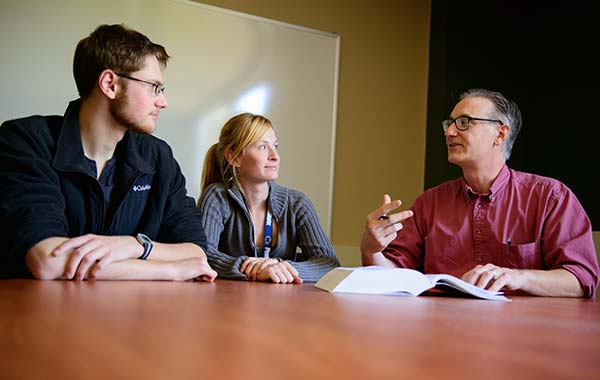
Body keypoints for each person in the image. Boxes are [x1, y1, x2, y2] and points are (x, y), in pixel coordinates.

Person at [0, 24, 216, 282]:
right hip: (35, 315)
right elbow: (48, 261)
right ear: (110, 84)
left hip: (129, 315)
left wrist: (137, 245)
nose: (163, 101)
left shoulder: (159, 157)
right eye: (153, 87)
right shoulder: (25, 140)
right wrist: (170, 270)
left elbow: (196, 253)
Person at [360, 88, 599, 298]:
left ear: (500, 134)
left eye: (464, 122)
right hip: (443, 329)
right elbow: (394, 278)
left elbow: (580, 279)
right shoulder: (428, 203)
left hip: (527, 335)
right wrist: (372, 250)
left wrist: (517, 277)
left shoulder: (550, 197)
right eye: (449, 123)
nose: (449, 132)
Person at [197, 112, 340, 283]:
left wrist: (282, 268)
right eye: (263, 147)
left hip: (282, 303)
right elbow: (201, 255)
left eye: (276, 146)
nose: (275, 155)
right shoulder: (217, 197)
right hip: (226, 302)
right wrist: (251, 268)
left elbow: (329, 264)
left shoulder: (297, 203)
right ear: (234, 157)